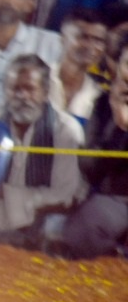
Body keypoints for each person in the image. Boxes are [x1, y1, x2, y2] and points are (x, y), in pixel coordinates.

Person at [0, 55, 83, 251]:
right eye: (15, 89)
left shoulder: (65, 130)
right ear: (5, 90)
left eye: (30, 89)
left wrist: (8, 195)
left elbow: (66, 195)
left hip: (44, 215)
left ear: (45, 92)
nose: (22, 96)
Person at [64, 41, 128, 259]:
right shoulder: (103, 104)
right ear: (118, 66)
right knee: (85, 226)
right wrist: (119, 129)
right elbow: (90, 169)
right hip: (115, 199)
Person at [56, 9, 109, 120]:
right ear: (62, 38)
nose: (90, 46)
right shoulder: (35, 78)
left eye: (98, 41)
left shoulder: (98, 96)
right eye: (83, 37)